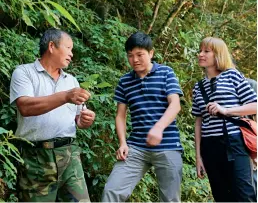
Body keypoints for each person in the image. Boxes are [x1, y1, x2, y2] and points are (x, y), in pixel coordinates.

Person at [10, 28, 95, 202]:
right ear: (51, 46)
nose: (72, 54)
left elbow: (78, 118)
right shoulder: (24, 72)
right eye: (69, 48)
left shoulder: (71, 80)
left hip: (69, 154)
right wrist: (65, 96)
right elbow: (25, 107)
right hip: (36, 157)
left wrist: (84, 119)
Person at [102, 31, 183, 202]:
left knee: (170, 199)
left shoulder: (166, 73)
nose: (135, 60)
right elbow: (120, 116)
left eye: (140, 54)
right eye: (130, 56)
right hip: (136, 147)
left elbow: (175, 104)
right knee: (112, 190)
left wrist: (158, 128)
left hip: (168, 145)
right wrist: (123, 143)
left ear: (151, 53)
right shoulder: (125, 81)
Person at [192, 37, 257, 202]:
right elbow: (199, 122)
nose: (201, 54)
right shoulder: (198, 87)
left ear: (218, 55)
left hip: (234, 142)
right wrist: (198, 157)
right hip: (209, 146)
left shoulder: (232, 76)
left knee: (244, 194)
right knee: (221, 196)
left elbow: (255, 105)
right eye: (200, 50)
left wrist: (226, 110)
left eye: (206, 51)